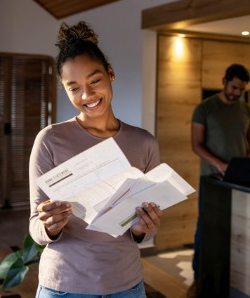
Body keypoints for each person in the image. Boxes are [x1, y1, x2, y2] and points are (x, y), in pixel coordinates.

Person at [29, 21, 163, 298]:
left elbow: (146, 233)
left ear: (110, 74)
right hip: (64, 286)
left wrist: (143, 228)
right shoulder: (50, 140)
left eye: (95, 81)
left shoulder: (144, 143)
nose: (87, 95)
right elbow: (35, 225)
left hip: (126, 285)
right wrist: (49, 226)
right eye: (74, 88)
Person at [188, 64, 250, 297]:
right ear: (224, 81)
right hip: (213, 180)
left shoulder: (248, 111)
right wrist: (220, 165)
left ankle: (231, 278)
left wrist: (246, 166)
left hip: (240, 181)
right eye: (234, 87)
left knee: (236, 227)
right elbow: (196, 144)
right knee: (206, 228)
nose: (237, 93)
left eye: (241, 89)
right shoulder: (204, 108)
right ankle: (199, 278)